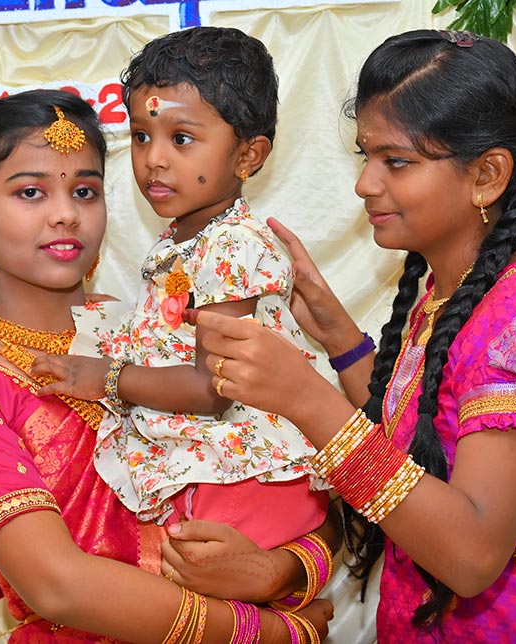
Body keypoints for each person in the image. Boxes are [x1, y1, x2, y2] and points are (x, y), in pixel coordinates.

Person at [190, 29, 516, 643]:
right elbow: (418, 433)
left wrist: (308, 401)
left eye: (396, 161)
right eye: (365, 156)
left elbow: (472, 557)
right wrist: (339, 338)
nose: (365, 184)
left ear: (487, 175)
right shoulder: (456, 293)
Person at [0, 88, 333, 642]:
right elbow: (58, 586)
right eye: (31, 192)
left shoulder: (147, 329)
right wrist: (271, 633)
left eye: (85, 191)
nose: (65, 215)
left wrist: (279, 571)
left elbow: (290, 472)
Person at [33, 26, 331, 555]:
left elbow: (211, 388)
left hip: (248, 475)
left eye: (181, 139)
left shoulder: (232, 243)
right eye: (141, 136)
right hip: (214, 466)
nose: (154, 159)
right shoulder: (187, 238)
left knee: (193, 589)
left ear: (248, 155)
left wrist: (104, 376)